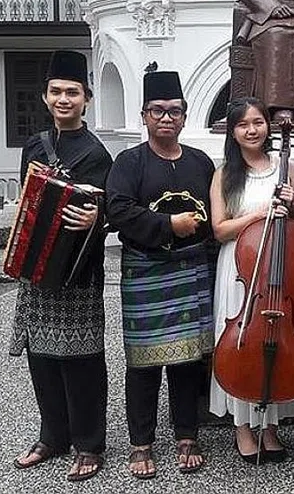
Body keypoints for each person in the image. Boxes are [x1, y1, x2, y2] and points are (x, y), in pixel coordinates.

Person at [106, 70, 216, 479]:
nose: (166, 118)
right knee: (143, 364)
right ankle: (142, 442)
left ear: (185, 116)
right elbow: (117, 211)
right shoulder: (129, 162)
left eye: (174, 111)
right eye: (158, 111)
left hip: (190, 271)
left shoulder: (200, 162)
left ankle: (187, 434)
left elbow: (215, 214)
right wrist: (169, 225)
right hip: (146, 271)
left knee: (188, 360)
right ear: (144, 116)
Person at [9, 50, 113, 483]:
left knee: (82, 360)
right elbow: (28, 197)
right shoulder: (36, 144)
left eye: (72, 92)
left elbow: (110, 211)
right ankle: (52, 436)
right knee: (43, 359)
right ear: (46, 96)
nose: (63, 99)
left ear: (86, 99)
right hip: (37, 269)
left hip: (77, 274)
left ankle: (89, 444)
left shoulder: (97, 154)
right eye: (56, 92)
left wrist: (96, 218)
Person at [207, 97, 294, 462]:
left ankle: (271, 427)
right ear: (232, 132)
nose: (252, 130)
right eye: (243, 124)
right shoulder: (224, 174)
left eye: (258, 122)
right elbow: (219, 229)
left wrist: (292, 205)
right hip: (239, 270)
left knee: (277, 344)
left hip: (280, 271)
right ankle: (243, 428)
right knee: (241, 342)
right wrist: (261, 212)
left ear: (267, 126)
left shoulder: (287, 167)